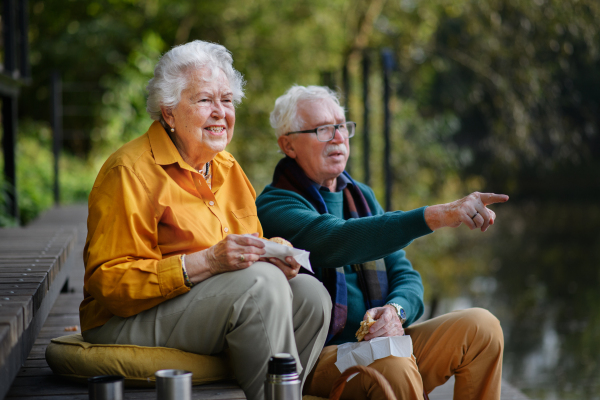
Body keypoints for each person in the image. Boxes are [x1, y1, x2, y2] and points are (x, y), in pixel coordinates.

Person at [80, 43, 331, 400]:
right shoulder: (129, 172)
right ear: (168, 113)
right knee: (260, 286)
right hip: (122, 320)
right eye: (204, 101)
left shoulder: (228, 167)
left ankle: (276, 393)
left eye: (226, 101)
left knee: (311, 296)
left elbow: (248, 249)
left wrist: (277, 253)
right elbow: (111, 284)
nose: (220, 113)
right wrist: (208, 261)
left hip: (209, 305)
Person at [256, 85, 509, 400]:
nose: (338, 137)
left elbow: (405, 275)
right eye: (322, 129)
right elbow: (336, 239)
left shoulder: (361, 196)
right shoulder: (274, 205)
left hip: (381, 347)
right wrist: (439, 215)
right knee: (390, 363)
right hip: (316, 360)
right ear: (288, 145)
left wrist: (395, 311)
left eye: (341, 126)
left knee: (482, 328)